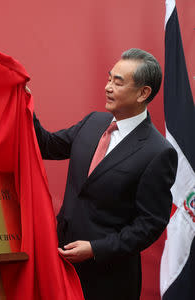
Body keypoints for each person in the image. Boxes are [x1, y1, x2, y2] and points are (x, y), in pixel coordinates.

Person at [33, 48, 178, 300]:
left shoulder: (158, 152)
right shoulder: (93, 122)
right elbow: (47, 145)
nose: (108, 87)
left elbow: (150, 224)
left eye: (118, 82)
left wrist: (95, 249)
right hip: (62, 264)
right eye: (109, 78)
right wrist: (26, 108)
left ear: (143, 93)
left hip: (109, 278)